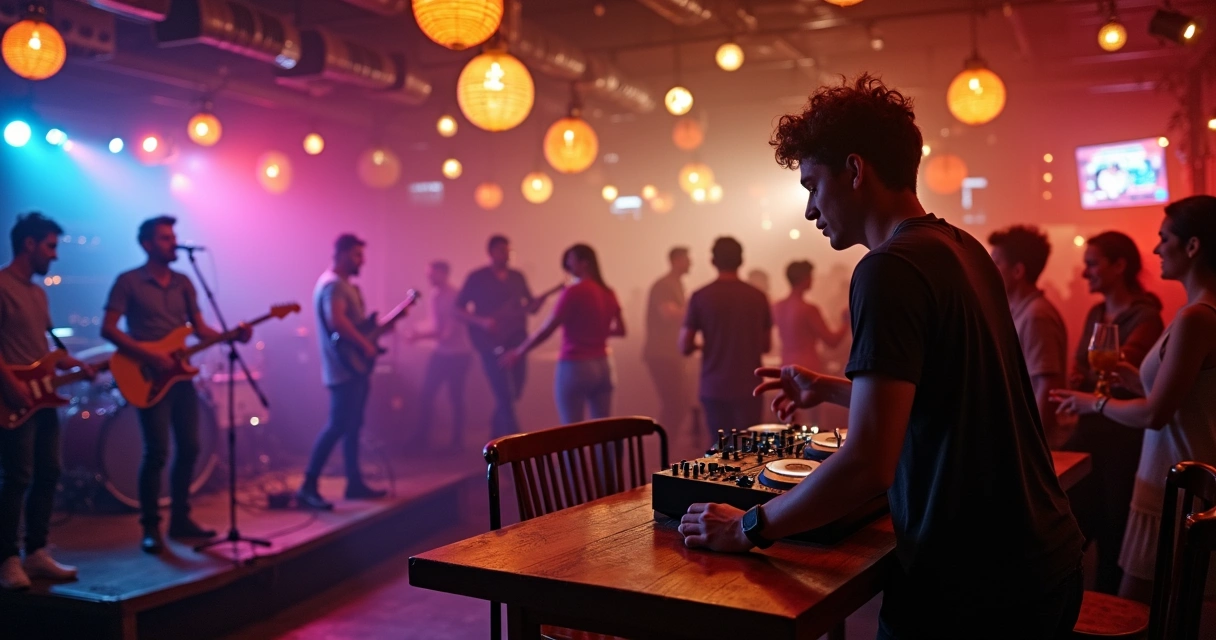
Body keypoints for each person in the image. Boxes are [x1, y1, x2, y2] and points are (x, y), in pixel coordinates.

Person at [677, 75, 1084, 639]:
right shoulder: (963, 248)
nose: (810, 210)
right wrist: (830, 388)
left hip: (975, 585)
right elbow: (951, 394)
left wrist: (746, 526)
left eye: (813, 185)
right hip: (1043, 560)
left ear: (855, 170)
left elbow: (869, 463)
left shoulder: (887, 268)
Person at [1052, 195, 1216, 615]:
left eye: (1164, 238)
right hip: (1171, 476)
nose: (1157, 249)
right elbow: (1182, 395)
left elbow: (1154, 414)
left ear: (1193, 246)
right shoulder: (1193, 313)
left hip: (1175, 480)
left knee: (1135, 611)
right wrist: (1131, 376)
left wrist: (1094, 403)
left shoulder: (1196, 317)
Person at [103, 216, 251, 553]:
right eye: (165, 238)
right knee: (156, 451)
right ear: (147, 245)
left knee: (190, 447)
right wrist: (150, 355)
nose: (174, 243)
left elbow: (199, 329)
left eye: (173, 237)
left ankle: (181, 519)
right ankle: (150, 527)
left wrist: (232, 336)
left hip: (180, 377)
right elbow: (108, 329)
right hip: (147, 375)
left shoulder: (184, 282)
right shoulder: (128, 282)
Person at [1063, 231, 1164, 594]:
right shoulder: (1097, 311)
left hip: (1121, 437)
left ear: (1119, 265)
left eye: (1092, 264)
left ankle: (1111, 613)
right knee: (1072, 526)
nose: (1084, 272)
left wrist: (1091, 379)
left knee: (1113, 533)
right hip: (1091, 431)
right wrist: (1089, 376)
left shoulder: (1146, 316)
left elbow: (1119, 371)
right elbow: (1085, 367)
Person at [0, 213, 92, 589]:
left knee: (49, 472)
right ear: (29, 244)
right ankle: (6, 558)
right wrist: (10, 384)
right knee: (17, 476)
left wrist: (76, 364)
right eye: (51, 246)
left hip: (43, 400)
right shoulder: (2, 285)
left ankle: (36, 551)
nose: (55, 255)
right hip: (13, 399)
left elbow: (45, 350)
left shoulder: (39, 293)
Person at [297, 234, 397, 511]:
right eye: (356, 255)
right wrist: (365, 344)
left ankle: (354, 482)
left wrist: (375, 332)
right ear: (341, 254)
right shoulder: (334, 285)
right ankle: (308, 486)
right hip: (344, 369)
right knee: (338, 425)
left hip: (350, 368)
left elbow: (353, 325)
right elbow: (337, 320)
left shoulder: (339, 285)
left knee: (352, 426)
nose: (362, 261)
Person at [502, 244, 624, 424]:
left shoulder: (573, 292)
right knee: (604, 429)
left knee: (571, 430)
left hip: (576, 365)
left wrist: (519, 352)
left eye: (571, 261)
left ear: (584, 263)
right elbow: (621, 330)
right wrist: (596, 330)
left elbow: (548, 329)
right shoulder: (609, 292)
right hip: (605, 364)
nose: (567, 266)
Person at [456, 235, 556, 438]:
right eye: (502, 251)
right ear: (491, 252)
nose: (507, 255)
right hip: (488, 343)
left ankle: (495, 436)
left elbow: (530, 308)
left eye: (509, 251)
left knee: (516, 391)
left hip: (517, 342)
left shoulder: (518, 277)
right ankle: (516, 443)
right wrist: (482, 322)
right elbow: (457, 309)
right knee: (504, 394)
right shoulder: (477, 278)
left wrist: (538, 303)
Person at [680, 237, 772, 446]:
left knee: (721, 448)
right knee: (749, 450)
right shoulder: (758, 297)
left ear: (713, 261)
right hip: (750, 386)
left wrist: (705, 345)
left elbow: (684, 345)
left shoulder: (700, 296)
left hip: (714, 386)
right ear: (741, 261)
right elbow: (766, 346)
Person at [988, 226, 1070, 448]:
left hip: (1035, 445)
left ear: (1018, 271)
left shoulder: (1036, 315)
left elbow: (1048, 386)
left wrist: (1033, 446)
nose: (989, 270)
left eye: (996, 263)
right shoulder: (1020, 312)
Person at [771, 260, 848, 426]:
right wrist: (846, 322)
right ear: (804, 278)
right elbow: (832, 341)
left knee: (788, 417)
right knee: (813, 421)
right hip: (808, 366)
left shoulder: (777, 306)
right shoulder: (809, 309)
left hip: (785, 366)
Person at [410, 260, 472, 449]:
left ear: (444, 273)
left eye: (432, 274)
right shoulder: (435, 295)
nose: (428, 277)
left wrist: (418, 336)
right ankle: (422, 438)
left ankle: (457, 441)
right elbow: (437, 325)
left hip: (458, 355)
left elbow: (447, 333)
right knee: (427, 394)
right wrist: (418, 331)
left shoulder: (455, 297)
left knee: (455, 397)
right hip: (443, 353)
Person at [643, 247, 691, 433]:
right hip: (662, 354)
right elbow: (669, 314)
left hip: (670, 353)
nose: (690, 263)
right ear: (676, 260)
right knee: (675, 403)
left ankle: (665, 442)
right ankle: (664, 442)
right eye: (687, 259)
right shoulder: (664, 285)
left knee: (677, 403)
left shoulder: (675, 284)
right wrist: (695, 308)